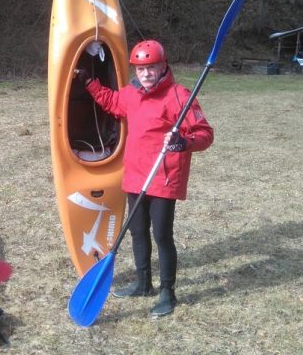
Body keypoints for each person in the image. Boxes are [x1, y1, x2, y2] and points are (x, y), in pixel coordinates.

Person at [73, 39, 214, 319]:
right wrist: (89, 82)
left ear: (163, 66)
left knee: (162, 236)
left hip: (163, 178)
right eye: (140, 69)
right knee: (138, 232)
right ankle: (143, 283)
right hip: (136, 176)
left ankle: (167, 293)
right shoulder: (131, 94)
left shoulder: (178, 96)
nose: (146, 73)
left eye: (152, 67)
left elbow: (205, 134)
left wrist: (183, 142)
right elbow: (111, 102)